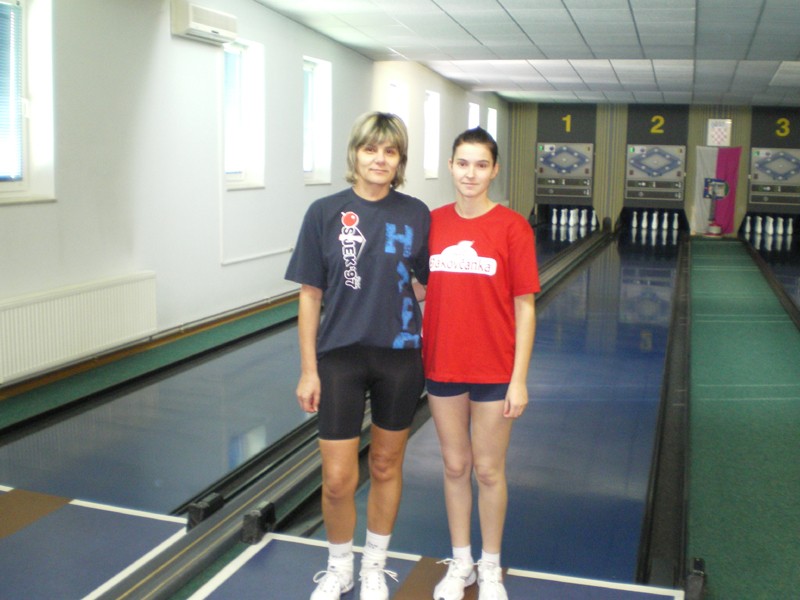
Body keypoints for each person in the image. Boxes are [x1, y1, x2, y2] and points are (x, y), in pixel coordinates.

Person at [284, 112, 430, 600]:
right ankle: (339, 566)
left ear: (400, 160)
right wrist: (308, 370)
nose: (380, 159)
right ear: (355, 153)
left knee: (386, 465)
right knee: (337, 478)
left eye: (390, 151)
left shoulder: (416, 214)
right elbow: (310, 295)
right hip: (340, 358)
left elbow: (430, 282)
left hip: (400, 358)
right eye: (371, 149)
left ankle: (375, 567)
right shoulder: (324, 213)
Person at [422, 127, 539, 600]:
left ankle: (490, 566)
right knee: (455, 467)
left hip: (494, 369)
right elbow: (420, 287)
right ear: (451, 166)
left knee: (488, 470)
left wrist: (519, 379)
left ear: (494, 170)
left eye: (481, 164)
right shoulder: (432, 223)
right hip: (443, 364)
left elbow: (525, 306)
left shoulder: (512, 227)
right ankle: (462, 562)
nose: (470, 173)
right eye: (463, 163)